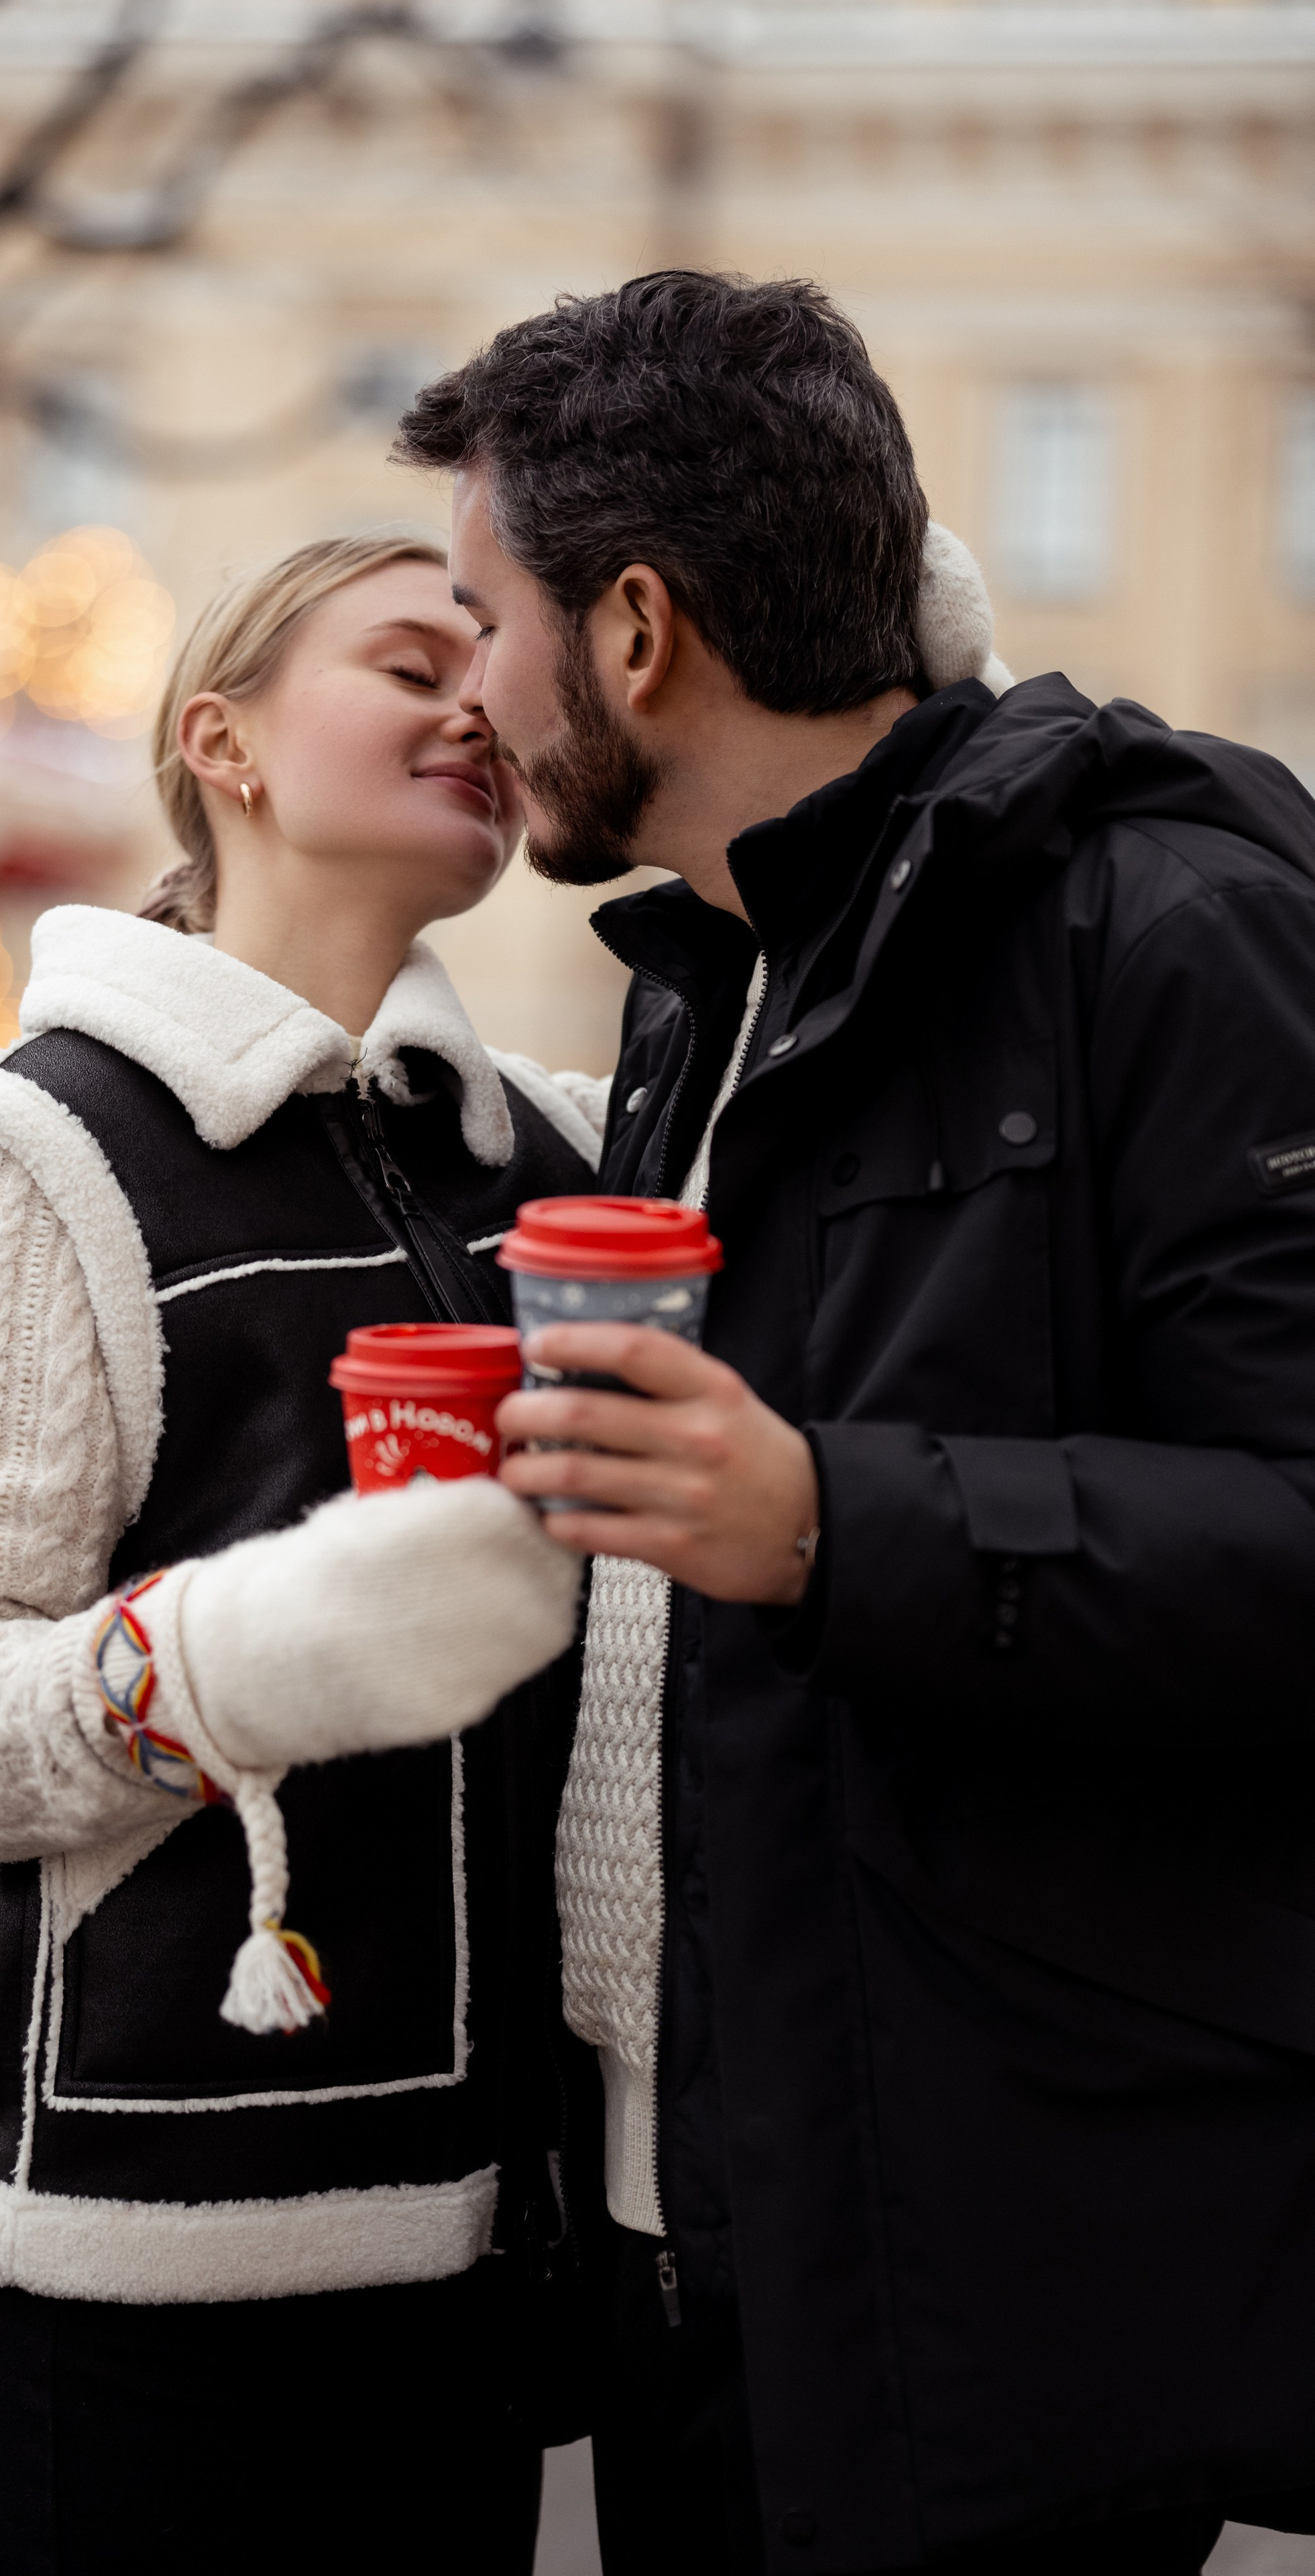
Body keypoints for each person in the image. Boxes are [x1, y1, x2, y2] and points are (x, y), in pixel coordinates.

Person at [396, 273, 1315, 2575]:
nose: (475, 693)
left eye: (485, 616)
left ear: (634, 630)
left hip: (1002, 2291)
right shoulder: (711, 981)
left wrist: (830, 1519)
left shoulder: (1175, 922)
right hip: (692, 2244)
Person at [0, 530, 607, 2574]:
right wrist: (232, 1655)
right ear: (223, 740)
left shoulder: (551, 1150)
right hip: (137, 2288)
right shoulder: (43, 1150)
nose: (475, 703)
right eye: (406, 656)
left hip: (479, 2254)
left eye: (493, 661)